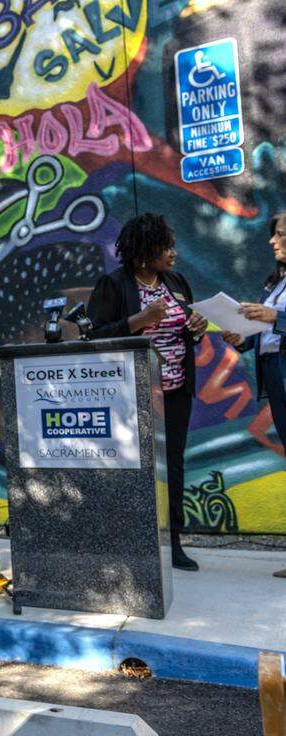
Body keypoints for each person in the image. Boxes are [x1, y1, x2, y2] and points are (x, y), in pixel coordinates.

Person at [87, 213, 207, 571]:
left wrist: (196, 328)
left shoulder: (176, 282)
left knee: (174, 464)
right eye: (164, 247)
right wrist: (140, 319)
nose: (172, 253)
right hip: (132, 394)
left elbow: (186, 331)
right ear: (143, 253)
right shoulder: (114, 284)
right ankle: (131, 542)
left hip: (176, 390)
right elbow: (93, 336)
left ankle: (176, 543)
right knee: (131, 468)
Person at [221, 211, 286, 576]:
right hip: (276, 376)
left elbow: (276, 322)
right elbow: (270, 331)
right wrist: (243, 337)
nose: (272, 241)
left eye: (279, 235)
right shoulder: (277, 282)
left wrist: (272, 317)